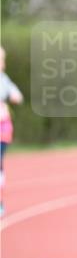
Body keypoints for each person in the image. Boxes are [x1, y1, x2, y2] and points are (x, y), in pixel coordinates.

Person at [0, 46, 23, 217]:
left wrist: (11, 96)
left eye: (3, 59)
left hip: (2, 127)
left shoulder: (3, 79)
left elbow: (17, 95)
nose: (3, 63)